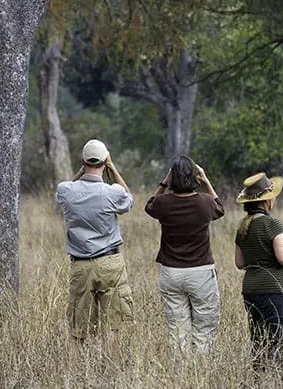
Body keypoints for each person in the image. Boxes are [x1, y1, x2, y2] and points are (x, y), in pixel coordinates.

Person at [55, 139, 136, 351]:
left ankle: (72, 380)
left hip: (80, 265)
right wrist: (113, 168)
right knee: (112, 327)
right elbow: (129, 199)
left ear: (83, 161)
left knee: (77, 331)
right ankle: (110, 376)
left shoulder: (67, 190)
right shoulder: (113, 192)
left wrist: (82, 172)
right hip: (111, 262)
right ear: (105, 161)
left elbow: (63, 194)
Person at [144, 155, 225, 356]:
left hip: (171, 272)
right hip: (201, 272)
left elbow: (149, 205)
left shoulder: (164, 204)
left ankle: (180, 373)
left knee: (177, 329)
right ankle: (199, 373)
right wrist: (205, 181)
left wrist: (164, 182)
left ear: (172, 179)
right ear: (194, 177)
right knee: (204, 328)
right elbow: (220, 208)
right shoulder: (204, 203)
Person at [234, 172, 283, 372]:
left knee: (259, 339)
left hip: (251, 290)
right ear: (266, 200)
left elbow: (239, 263)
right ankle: (278, 381)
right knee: (280, 341)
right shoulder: (272, 224)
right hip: (275, 289)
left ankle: (260, 377)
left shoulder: (243, 226)